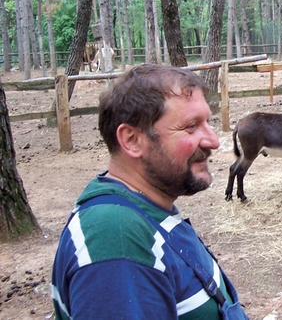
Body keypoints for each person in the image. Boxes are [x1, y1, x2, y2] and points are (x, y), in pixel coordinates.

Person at [51, 64, 249, 319]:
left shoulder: (145, 212)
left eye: (207, 122)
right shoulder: (116, 239)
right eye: (190, 126)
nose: (213, 141)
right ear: (132, 140)